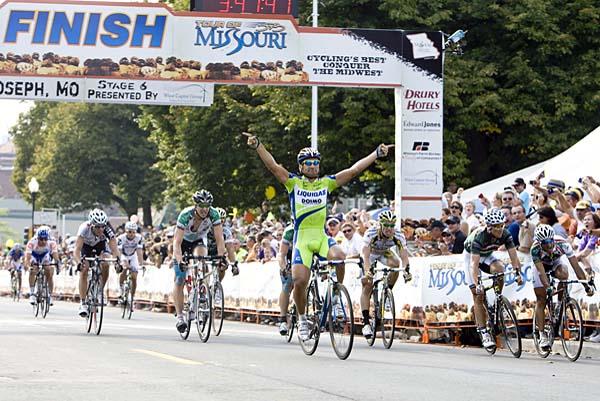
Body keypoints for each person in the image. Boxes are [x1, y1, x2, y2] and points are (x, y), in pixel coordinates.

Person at [245, 131, 392, 341]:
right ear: (301, 167)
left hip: (321, 237)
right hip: (302, 240)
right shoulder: (293, 182)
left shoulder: (326, 183)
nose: (313, 166)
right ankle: (303, 319)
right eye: (308, 163)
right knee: (299, 280)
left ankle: (335, 295)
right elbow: (273, 166)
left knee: (339, 256)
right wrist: (258, 145)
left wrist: (376, 154)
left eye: (316, 162)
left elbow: (354, 170)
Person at [463, 209, 522, 349]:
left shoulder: (506, 234)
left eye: (502, 225)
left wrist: (517, 273)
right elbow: (474, 265)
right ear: (489, 227)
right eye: (497, 226)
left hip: (487, 255)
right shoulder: (479, 237)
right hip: (471, 257)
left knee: (500, 269)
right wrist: (477, 284)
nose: (500, 229)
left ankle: (498, 299)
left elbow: (514, 256)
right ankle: (484, 332)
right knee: (478, 296)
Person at [171, 190, 227, 333]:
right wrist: (179, 260)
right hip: (182, 243)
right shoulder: (185, 215)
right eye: (201, 205)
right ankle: (180, 317)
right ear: (195, 205)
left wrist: (221, 257)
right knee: (179, 279)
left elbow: (220, 239)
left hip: (198, 241)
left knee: (201, 258)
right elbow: (176, 243)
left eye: (207, 205)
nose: (204, 209)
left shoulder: (213, 214)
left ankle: (201, 289)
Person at [530, 224, 594, 349]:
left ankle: (560, 303)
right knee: (541, 299)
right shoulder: (535, 249)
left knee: (564, 274)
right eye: (544, 242)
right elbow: (541, 274)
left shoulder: (562, 244)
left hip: (555, 263)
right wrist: (548, 287)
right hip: (541, 267)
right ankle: (542, 335)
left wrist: (586, 285)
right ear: (539, 242)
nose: (548, 245)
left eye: (550, 241)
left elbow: (576, 268)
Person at [360, 211, 411, 338]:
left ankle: (387, 293)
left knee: (396, 263)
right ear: (380, 225)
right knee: (367, 284)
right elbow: (365, 257)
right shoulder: (371, 233)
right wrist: (368, 271)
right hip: (370, 254)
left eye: (391, 226)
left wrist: (406, 271)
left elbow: (404, 256)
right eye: (386, 225)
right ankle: (366, 323)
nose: (389, 229)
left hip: (384, 253)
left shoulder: (398, 235)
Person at [73, 209, 121, 317]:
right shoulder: (84, 228)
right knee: (84, 270)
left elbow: (114, 249)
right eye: (97, 227)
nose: (100, 229)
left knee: (105, 263)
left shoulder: (108, 229)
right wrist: (78, 263)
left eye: (102, 226)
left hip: (100, 246)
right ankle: (83, 302)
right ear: (91, 225)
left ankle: (100, 291)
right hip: (86, 248)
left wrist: (118, 262)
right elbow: (76, 250)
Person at [24, 226, 60, 306]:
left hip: (45, 255)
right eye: (41, 239)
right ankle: (32, 293)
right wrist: (29, 266)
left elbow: (55, 256)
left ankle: (49, 294)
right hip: (34, 255)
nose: (43, 241)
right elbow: (28, 257)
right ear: (37, 238)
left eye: (45, 239)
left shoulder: (52, 242)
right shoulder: (32, 242)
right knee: (33, 270)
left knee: (48, 270)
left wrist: (57, 263)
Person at [116, 221, 144, 305]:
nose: (131, 234)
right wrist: (121, 262)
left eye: (133, 232)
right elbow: (119, 251)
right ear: (126, 231)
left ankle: (132, 297)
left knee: (134, 276)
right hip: (123, 254)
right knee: (125, 268)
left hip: (133, 255)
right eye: (129, 232)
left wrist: (141, 264)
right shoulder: (121, 238)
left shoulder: (139, 238)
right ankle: (121, 290)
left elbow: (139, 251)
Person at [277, 224, 294, 335]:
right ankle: (283, 319)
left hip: (305, 258)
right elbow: (281, 254)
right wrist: (284, 268)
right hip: (289, 259)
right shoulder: (289, 231)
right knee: (287, 285)